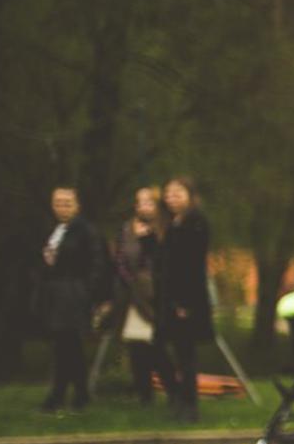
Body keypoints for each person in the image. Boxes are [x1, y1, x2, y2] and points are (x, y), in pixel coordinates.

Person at [37, 187, 108, 411]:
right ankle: (77, 394)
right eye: (58, 203)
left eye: (67, 203)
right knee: (65, 346)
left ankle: (62, 395)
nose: (62, 207)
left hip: (74, 294)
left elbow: (97, 263)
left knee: (70, 345)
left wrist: (88, 292)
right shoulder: (55, 229)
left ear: (77, 205)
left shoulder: (85, 231)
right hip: (56, 295)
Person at [155, 177, 212, 423]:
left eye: (177, 193)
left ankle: (189, 405)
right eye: (168, 193)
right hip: (168, 298)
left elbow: (192, 265)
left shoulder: (195, 223)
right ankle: (177, 395)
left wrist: (184, 303)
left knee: (186, 354)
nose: (171, 198)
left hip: (187, 298)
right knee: (160, 347)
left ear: (189, 195)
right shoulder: (171, 224)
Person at [112, 186, 169, 404]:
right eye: (139, 202)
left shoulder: (164, 229)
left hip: (155, 294)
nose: (143, 207)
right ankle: (143, 392)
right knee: (136, 343)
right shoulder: (126, 229)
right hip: (130, 293)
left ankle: (172, 389)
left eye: (148, 202)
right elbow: (119, 258)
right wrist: (129, 280)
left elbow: (160, 262)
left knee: (155, 345)